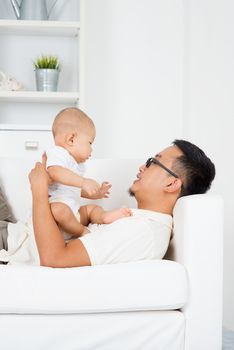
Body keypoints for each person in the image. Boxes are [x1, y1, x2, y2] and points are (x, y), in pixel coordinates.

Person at [0, 139, 215, 267]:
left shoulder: (143, 231)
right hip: (20, 232)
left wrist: (38, 190)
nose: (142, 166)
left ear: (171, 184)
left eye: (153, 162)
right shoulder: (139, 220)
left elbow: (55, 258)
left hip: (14, 244)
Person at [45, 107, 132, 239]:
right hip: (55, 219)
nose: (91, 149)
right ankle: (80, 231)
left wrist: (96, 194)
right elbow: (54, 172)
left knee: (92, 209)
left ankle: (105, 216)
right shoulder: (58, 153)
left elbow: (74, 189)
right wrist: (83, 182)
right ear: (71, 139)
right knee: (58, 209)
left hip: (74, 216)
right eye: (90, 143)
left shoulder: (76, 165)